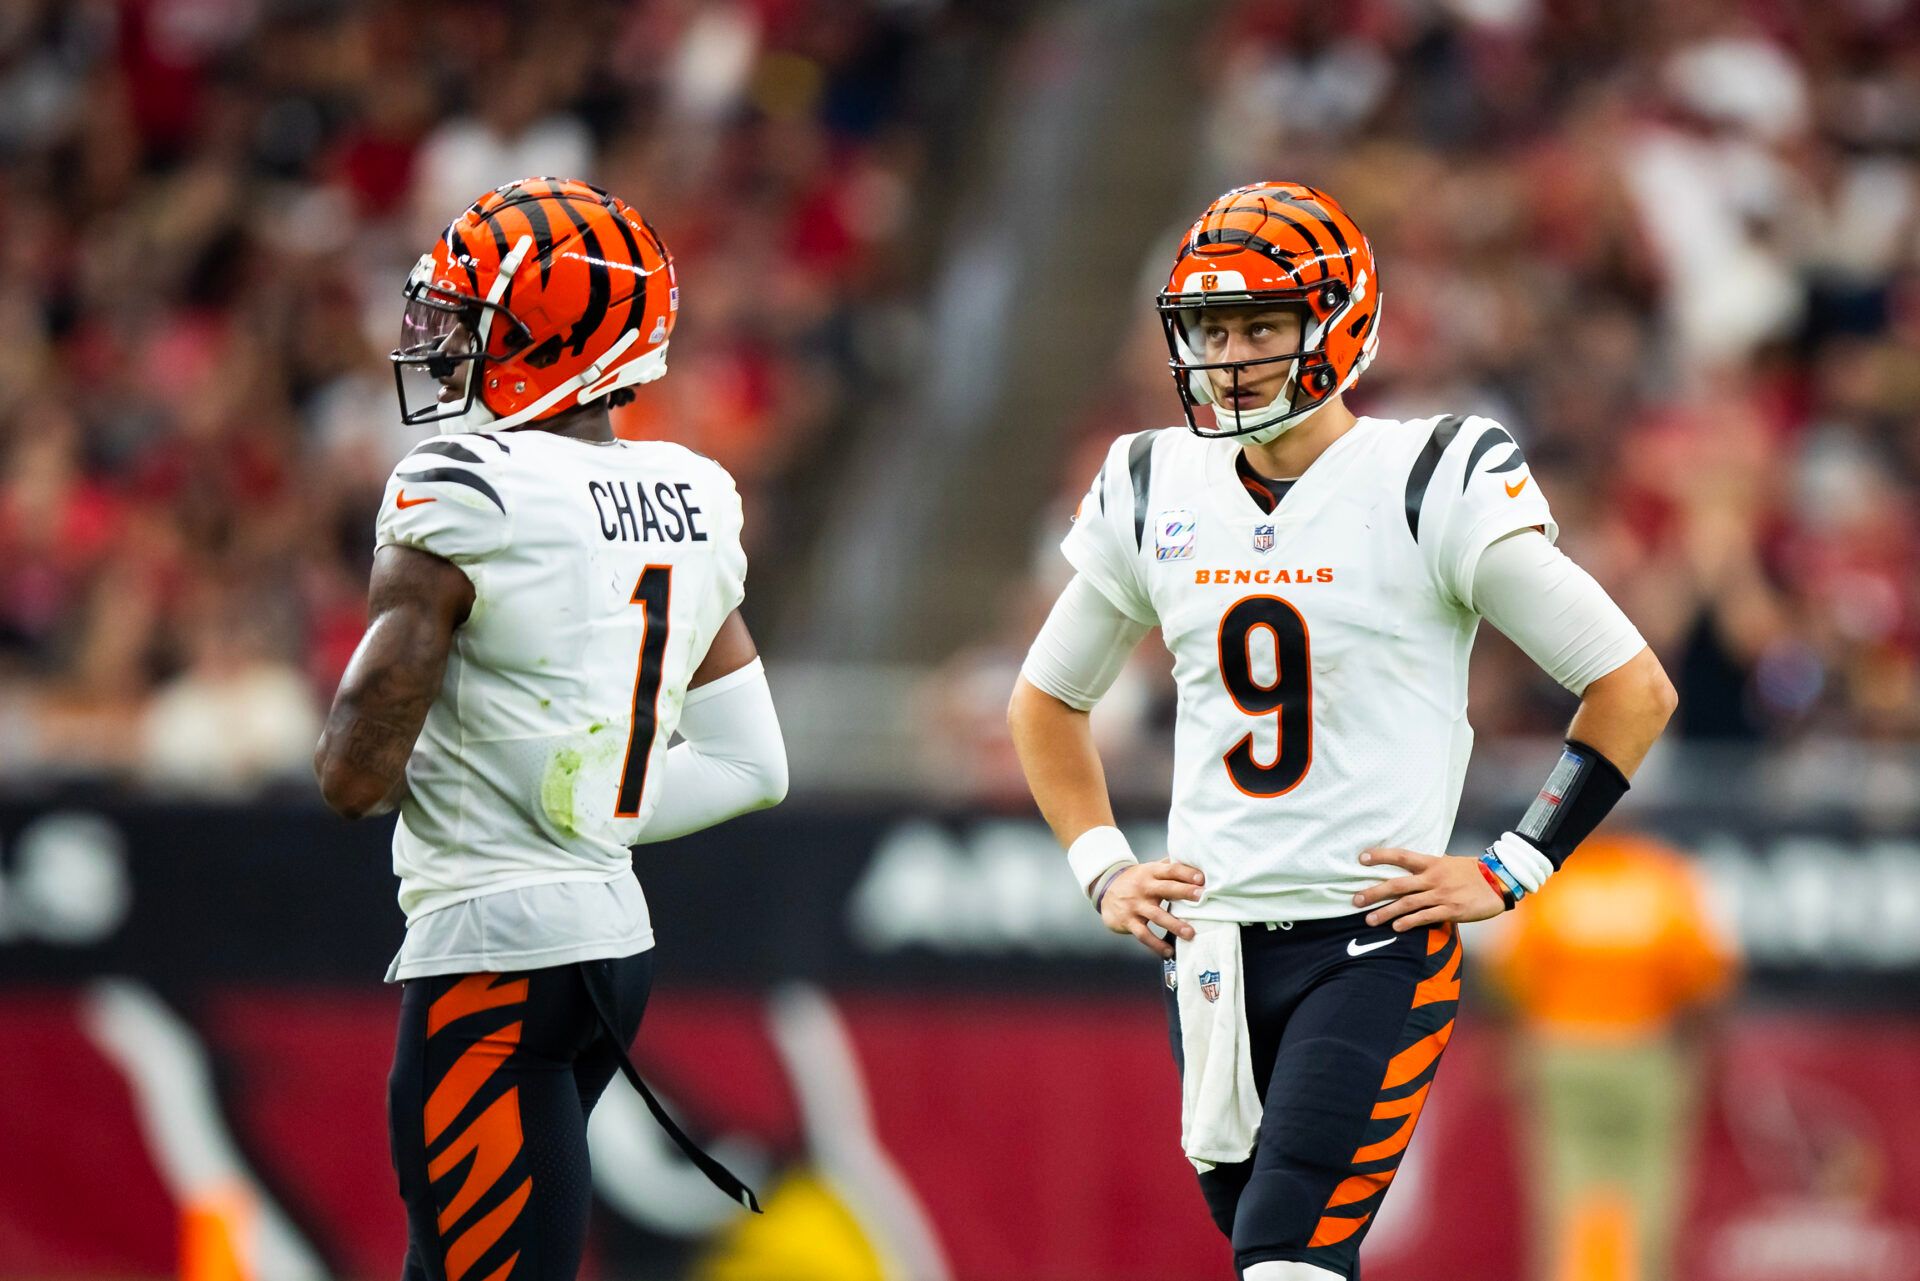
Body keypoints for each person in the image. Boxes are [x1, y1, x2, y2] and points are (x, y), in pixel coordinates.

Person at [1007, 181, 1678, 1281]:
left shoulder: (1426, 480)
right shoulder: (1150, 480)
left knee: (1285, 1261)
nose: (1230, 355)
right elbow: (1045, 701)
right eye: (1211, 328)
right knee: (1281, 1257)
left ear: (1338, 323)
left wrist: (1513, 866)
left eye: (1261, 325)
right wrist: (1099, 866)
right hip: (1209, 950)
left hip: (1369, 942)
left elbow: (1630, 686)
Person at [315, 177, 788, 1281]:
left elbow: (351, 773)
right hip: (609, 946)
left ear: (558, 330)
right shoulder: (690, 494)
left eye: (476, 319)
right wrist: (592, 804)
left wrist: (505, 780)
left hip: (491, 949)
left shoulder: (467, 489)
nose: (446, 344)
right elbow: (752, 765)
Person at [1485, 830, 1737, 1281]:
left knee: (1566, 1193)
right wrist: (1705, 1053)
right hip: (1644, 1050)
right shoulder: (1664, 877)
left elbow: (1511, 974)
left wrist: (1510, 1048)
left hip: (1562, 1051)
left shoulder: (1552, 880)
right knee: (1649, 1193)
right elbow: (1704, 981)